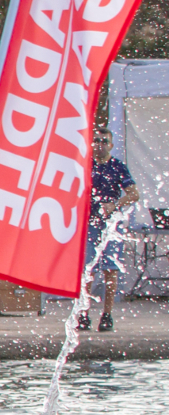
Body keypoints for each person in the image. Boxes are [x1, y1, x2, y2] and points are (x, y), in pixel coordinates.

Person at [83, 128, 141, 332]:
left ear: (111, 145)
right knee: (87, 270)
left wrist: (114, 205)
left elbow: (134, 194)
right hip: (89, 223)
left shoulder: (117, 167)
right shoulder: (86, 164)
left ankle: (106, 315)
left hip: (110, 225)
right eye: (96, 140)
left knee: (110, 270)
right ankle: (84, 313)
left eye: (104, 141)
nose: (99, 144)